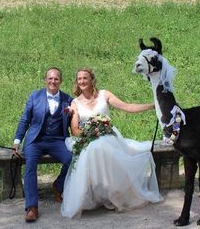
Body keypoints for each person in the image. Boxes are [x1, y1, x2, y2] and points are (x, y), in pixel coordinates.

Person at [61, 68, 162, 218]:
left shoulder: (104, 95)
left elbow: (127, 107)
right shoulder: (75, 103)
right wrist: (90, 132)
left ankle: (113, 195)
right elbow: (75, 129)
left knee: (103, 145)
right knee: (96, 147)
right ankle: (103, 194)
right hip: (88, 138)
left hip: (108, 135)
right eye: (79, 79)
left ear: (92, 80)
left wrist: (152, 105)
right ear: (77, 82)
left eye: (85, 78)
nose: (82, 81)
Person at [13, 67, 73, 222]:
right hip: (36, 140)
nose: (53, 81)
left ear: (61, 81)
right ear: (45, 80)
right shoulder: (35, 96)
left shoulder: (68, 100)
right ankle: (32, 207)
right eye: (50, 78)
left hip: (57, 140)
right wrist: (17, 141)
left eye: (56, 79)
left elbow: (76, 121)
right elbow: (25, 119)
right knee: (30, 165)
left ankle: (58, 186)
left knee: (72, 159)